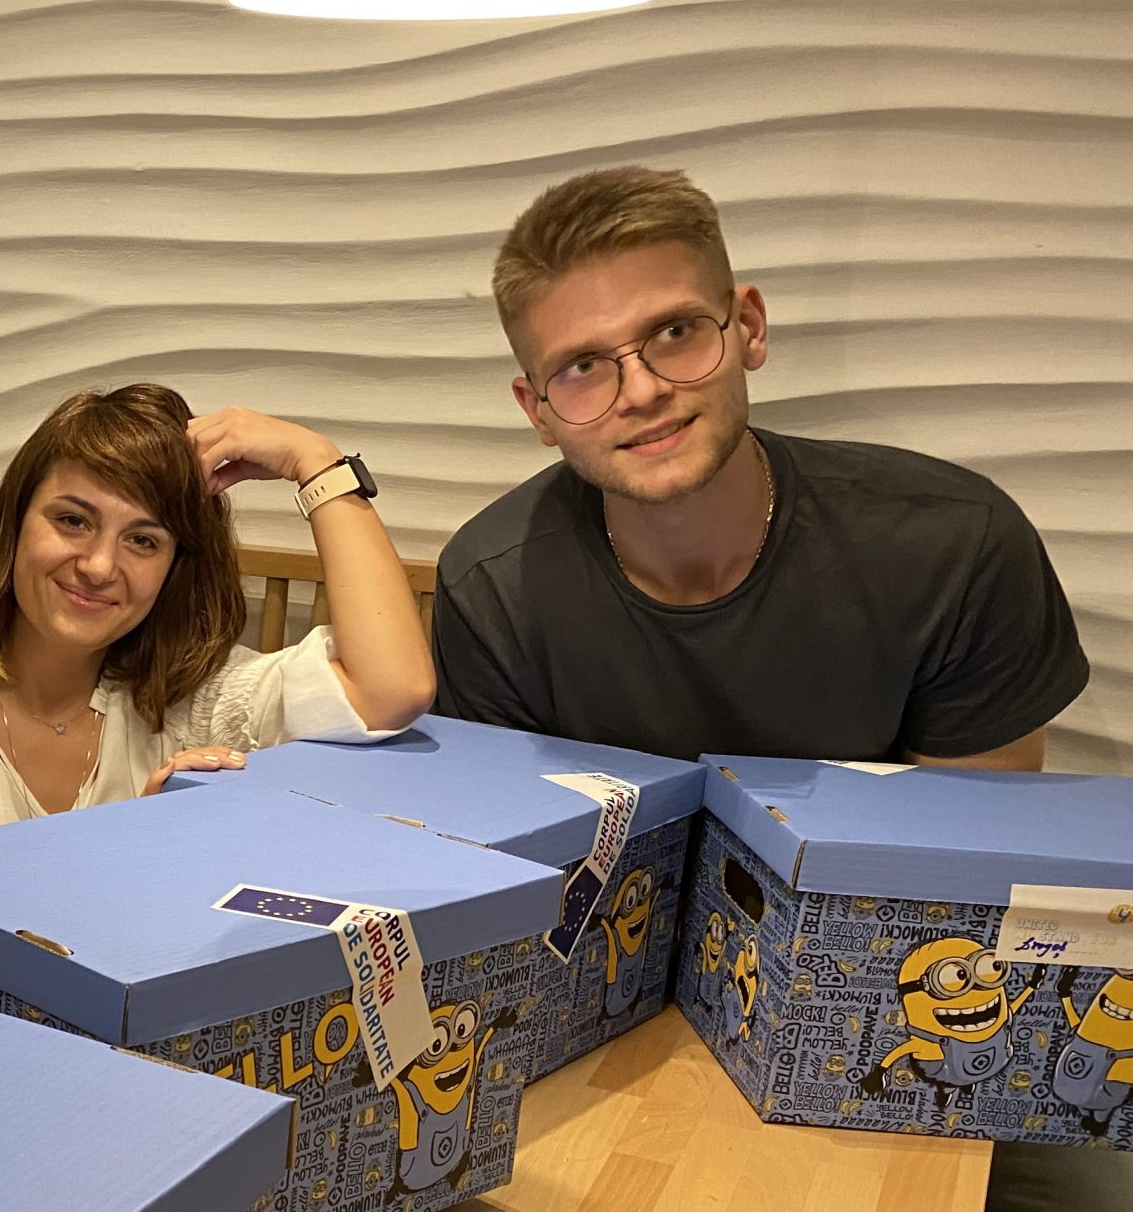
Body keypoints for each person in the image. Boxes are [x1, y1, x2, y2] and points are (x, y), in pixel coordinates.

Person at [432, 164, 1086, 766]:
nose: (642, 391)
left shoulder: (955, 550)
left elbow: (966, 843)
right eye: (582, 366)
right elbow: (507, 837)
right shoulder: (494, 589)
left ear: (749, 325)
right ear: (538, 412)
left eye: (675, 331)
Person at [0, 383, 433, 850]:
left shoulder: (191, 703)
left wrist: (317, 463)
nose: (99, 566)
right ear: (14, 525)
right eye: (72, 520)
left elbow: (390, 689)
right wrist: (141, 845)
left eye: (143, 541)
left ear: (174, 567)